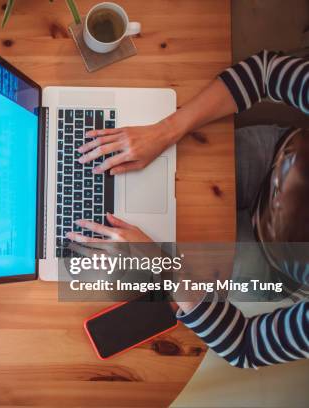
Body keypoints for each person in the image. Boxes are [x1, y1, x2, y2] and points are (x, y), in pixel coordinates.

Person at [67, 50, 308, 368]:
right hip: (277, 160)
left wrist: (165, 268)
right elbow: (264, 72)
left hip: (273, 258)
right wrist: (163, 131)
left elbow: (246, 346)